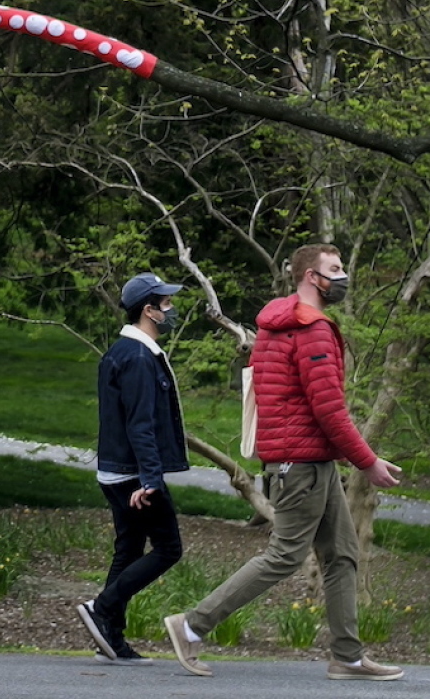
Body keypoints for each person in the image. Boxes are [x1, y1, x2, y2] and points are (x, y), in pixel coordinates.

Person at [163, 243, 405, 681]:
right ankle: (192, 626)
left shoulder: (277, 326)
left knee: (342, 554)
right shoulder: (310, 329)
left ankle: (347, 657)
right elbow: (329, 409)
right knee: (285, 556)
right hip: (301, 463)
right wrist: (368, 462)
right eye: (335, 268)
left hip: (311, 461)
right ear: (311, 277)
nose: (344, 276)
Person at [77, 271, 190, 665]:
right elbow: (140, 424)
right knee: (168, 549)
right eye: (167, 303)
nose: (172, 309)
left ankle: (110, 638)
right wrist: (151, 480)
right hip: (132, 476)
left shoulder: (121, 351)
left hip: (116, 471)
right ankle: (102, 607)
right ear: (149, 310)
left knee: (128, 551)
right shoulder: (140, 358)